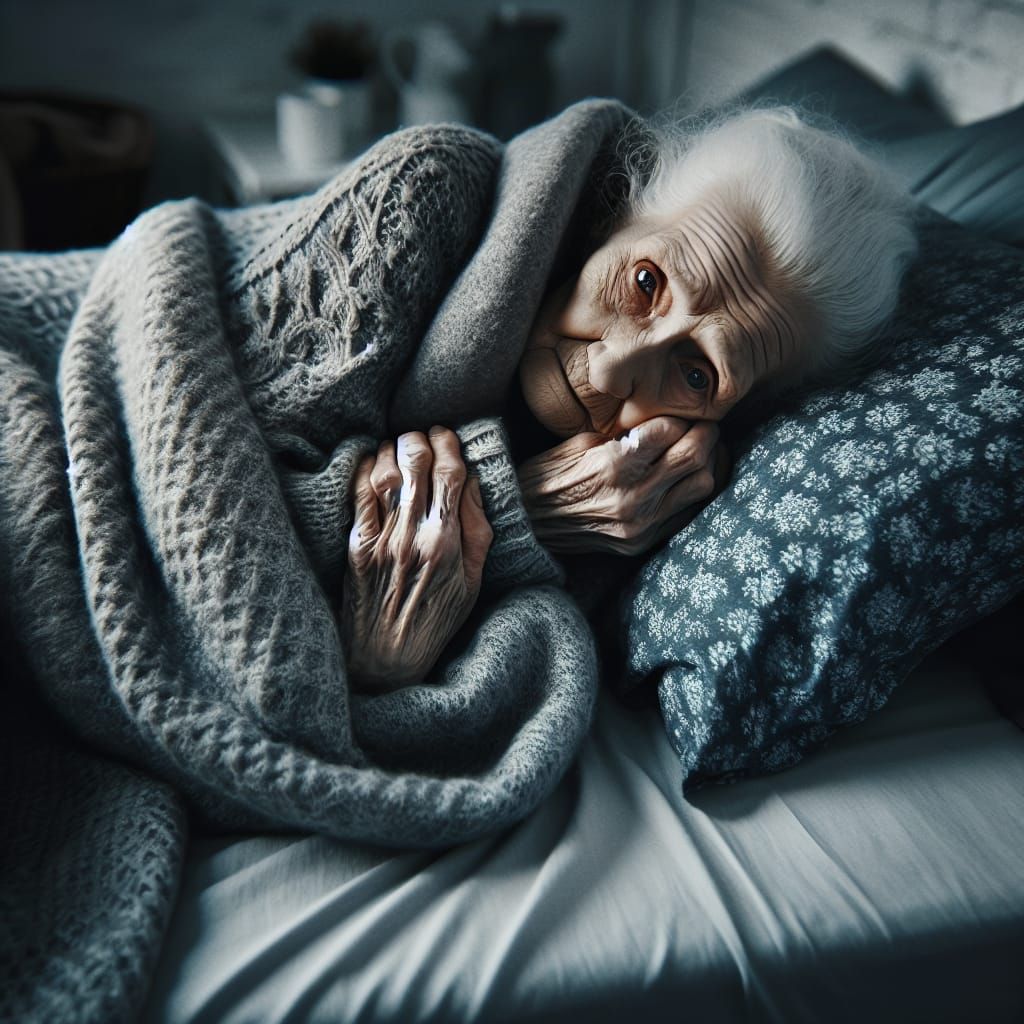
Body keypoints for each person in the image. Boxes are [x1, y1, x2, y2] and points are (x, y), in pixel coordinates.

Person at [342, 106, 918, 691]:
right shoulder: (420, 195)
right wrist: (512, 507)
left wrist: (526, 522)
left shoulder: (638, 515)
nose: (614, 369)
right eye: (646, 283)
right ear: (614, 218)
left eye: (698, 375)